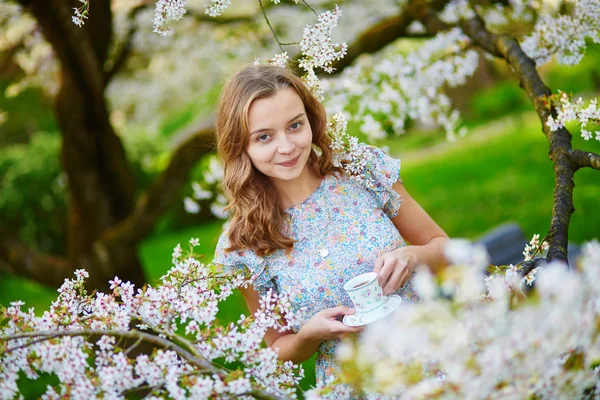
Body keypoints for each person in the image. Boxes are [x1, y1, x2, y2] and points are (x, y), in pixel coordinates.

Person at [212, 64, 449, 391]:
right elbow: (277, 348)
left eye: (295, 126)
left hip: (436, 358)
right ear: (241, 146)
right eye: (264, 137)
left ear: (310, 120)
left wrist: (412, 257)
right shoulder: (245, 244)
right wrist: (308, 336)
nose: (287, 147)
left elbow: (445, 249)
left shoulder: (361, 172)